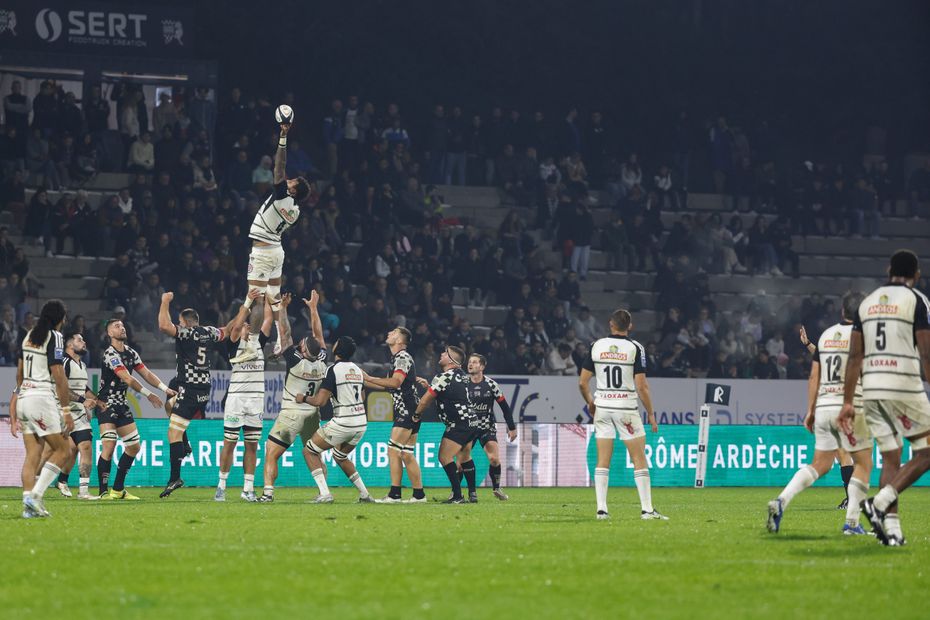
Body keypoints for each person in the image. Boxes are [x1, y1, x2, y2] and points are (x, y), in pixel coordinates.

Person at [841, 250, 930, 546]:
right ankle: (878, 504)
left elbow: (854, 355)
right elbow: (926, 349)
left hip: (872, 389)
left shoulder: (866, 303)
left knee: (891, 457)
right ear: (916, 275)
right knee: (927, 451)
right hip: (903, 384)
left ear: (888, 270)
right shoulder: (917, 300)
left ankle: (892, 531)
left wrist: (847, 401)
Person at [767, 293, 871, 535]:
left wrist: (811, 410)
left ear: (841, 311)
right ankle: (852, 524)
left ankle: (781, 501)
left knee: (820, 464)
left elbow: (815, 375)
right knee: (864, 463)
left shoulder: (826, 336)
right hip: (850, 406)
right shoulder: (863, 337)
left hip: (824, 406)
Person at [156, 291, 252, 498]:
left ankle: (175, 477)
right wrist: (244, 309)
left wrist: (164, 302)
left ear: (185, 322)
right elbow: (228, 329)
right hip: (204, 388)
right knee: (169, 405)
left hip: (190, 388)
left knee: (172, 433)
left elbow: (164, 326)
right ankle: (186, 443)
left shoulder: (186, 333)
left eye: (180, 322)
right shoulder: (208, 332)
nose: (178, 325)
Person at [578, 308, 666, 521]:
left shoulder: (596, 346)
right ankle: (647, 510)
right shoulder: (635, 348)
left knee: (602, 460)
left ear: (611, 324)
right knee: (638, 458)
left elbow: (582, 382)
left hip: (603, 407)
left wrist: (591, 402)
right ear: (630, 326)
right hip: (626, 408)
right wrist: (651, 414)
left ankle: (601, 509)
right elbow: (641, 385)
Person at [241, 118, 312, 342]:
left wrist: (283, 137)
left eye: (291, 182)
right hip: (277, 252)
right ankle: (285, 339)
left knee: (257, 299)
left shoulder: (282, 196)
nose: (287, 181)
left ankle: (252, 342)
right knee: (276, 301)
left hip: (263, 252)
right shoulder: (296, 211)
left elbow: (278, 166)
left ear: (292, 191)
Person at [258, 292, 328, 503]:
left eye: (303, 344)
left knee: (271, 451)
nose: (300, 343)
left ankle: (268, 493)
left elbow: (285, 333)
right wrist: (313, 309)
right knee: (314, 453)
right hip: (312, 413)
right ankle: (324, 492)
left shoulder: (296, 361)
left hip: (292, 413)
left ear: (304, 350)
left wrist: (284, 309)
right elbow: (319, 335)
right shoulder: (323, 360)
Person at [96, 319, 174, 499]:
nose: (122, 328)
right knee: (109, 445)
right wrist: (149, 394)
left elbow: (146, 373)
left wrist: (164, 389)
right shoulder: (110, 354)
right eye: (116, 326)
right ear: (109, 333)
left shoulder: (131, 353)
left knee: (134, 447)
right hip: (106, 404)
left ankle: (117, 490)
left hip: (122, 404)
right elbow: (127, 378)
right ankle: (102, 493)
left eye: (123, 325)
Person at [11, 300, 72, 517]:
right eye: (64, 317)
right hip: (40, 398)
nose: (65, 321)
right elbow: (58, 374)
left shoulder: (28, 336)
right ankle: (35, 497)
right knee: (64, 450)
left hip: (25, 398)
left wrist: (18, 398)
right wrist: (66, 411)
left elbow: (19, 373)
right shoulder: (54, 337)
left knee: (33, 455)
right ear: (59, 318)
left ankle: (28, 506)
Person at [215, 293, 274, 502]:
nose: (246, 327)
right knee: (229, 443)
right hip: (236, 400)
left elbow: (268, 319)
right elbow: (237, 322)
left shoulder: (259, 341)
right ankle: (221, 486)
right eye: (243, 326)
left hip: (256, 402)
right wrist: (248, 301)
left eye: (248, 325)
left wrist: (267, 298)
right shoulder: (232, 345)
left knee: (252, 446)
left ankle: (248, 489)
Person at [302, 336, 374, 503]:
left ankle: (325, 494)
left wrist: (303, 398)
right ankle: (365, 495)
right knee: (340, 456)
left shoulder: (332, 370)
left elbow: (320, 401)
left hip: (344, 421)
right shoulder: (357, 369)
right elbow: (362, 396)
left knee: (309, 451)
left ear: (337, 349)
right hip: (361, 423)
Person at [362, 327, 426, 503]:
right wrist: (365, 379)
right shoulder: (397, 359)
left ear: (400, 341)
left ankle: (394, 495)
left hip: (406, 409)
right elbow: (387, 385)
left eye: (394, 332)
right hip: (412, 409)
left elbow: (395, 382)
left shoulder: (402, 357)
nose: (389, 333)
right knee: (406, 453)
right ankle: (419, 495)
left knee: (393, 450)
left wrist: (369, 378)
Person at [414, 345, 481, 504]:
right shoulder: (463, 375)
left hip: (459, 423)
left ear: (451, 361)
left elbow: (425, 400)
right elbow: (452, 392)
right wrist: (430, 386)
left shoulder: (443, 377)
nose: (442, 354)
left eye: (445, 353)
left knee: (444, 456)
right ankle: (472, 494)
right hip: (472, 421)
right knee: (465, 457)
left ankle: (458, 496)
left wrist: (416, 415)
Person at [800, 325, 855, 509]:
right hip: (844, 406)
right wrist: (807, 343)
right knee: (842, 454)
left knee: (843, 455)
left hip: (845, 406)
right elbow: (820, 354)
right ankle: (851, 499)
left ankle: (853, 500)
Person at [456, 353, 517, 501]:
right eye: (469, 362)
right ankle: (458, 492)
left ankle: (497, 488)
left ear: (482, 366)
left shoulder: (491, 384)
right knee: (459, 464)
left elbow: (504, 407)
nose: (470, 364)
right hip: (468, 427)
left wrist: (512, 427)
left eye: (475, 362)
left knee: (495, 459)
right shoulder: (462, 383)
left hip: (486, 427)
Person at [52, 333, 101, 500]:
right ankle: (47, 482)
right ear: (69, 345)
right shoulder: (64, 362)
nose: (84, 341)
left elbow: (83, 386)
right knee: (67, 452)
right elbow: (61, 389)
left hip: (79, 413)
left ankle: (83, 491)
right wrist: (82, 400)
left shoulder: (82, 364)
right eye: (79, 339)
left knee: (85, 447)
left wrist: (96, 400)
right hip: (61, 412)